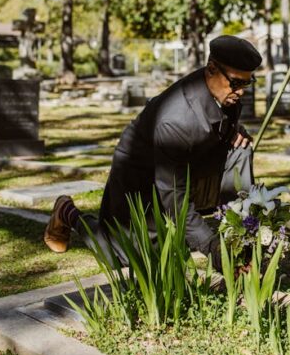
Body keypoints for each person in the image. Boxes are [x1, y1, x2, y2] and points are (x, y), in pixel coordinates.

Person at [43, 35, 262, 270]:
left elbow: (215, 122)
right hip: (140, 175)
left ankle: (234, 231)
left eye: (247, 84)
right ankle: (67, 212)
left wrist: (233, 132)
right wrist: (211, 247)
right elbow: (174, 196)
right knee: (127, 256)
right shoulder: (177, 120)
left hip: (185, 166)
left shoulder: (223, 93)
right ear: (211, 69)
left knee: (241, 150)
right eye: (236, 84)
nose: (241, 92)